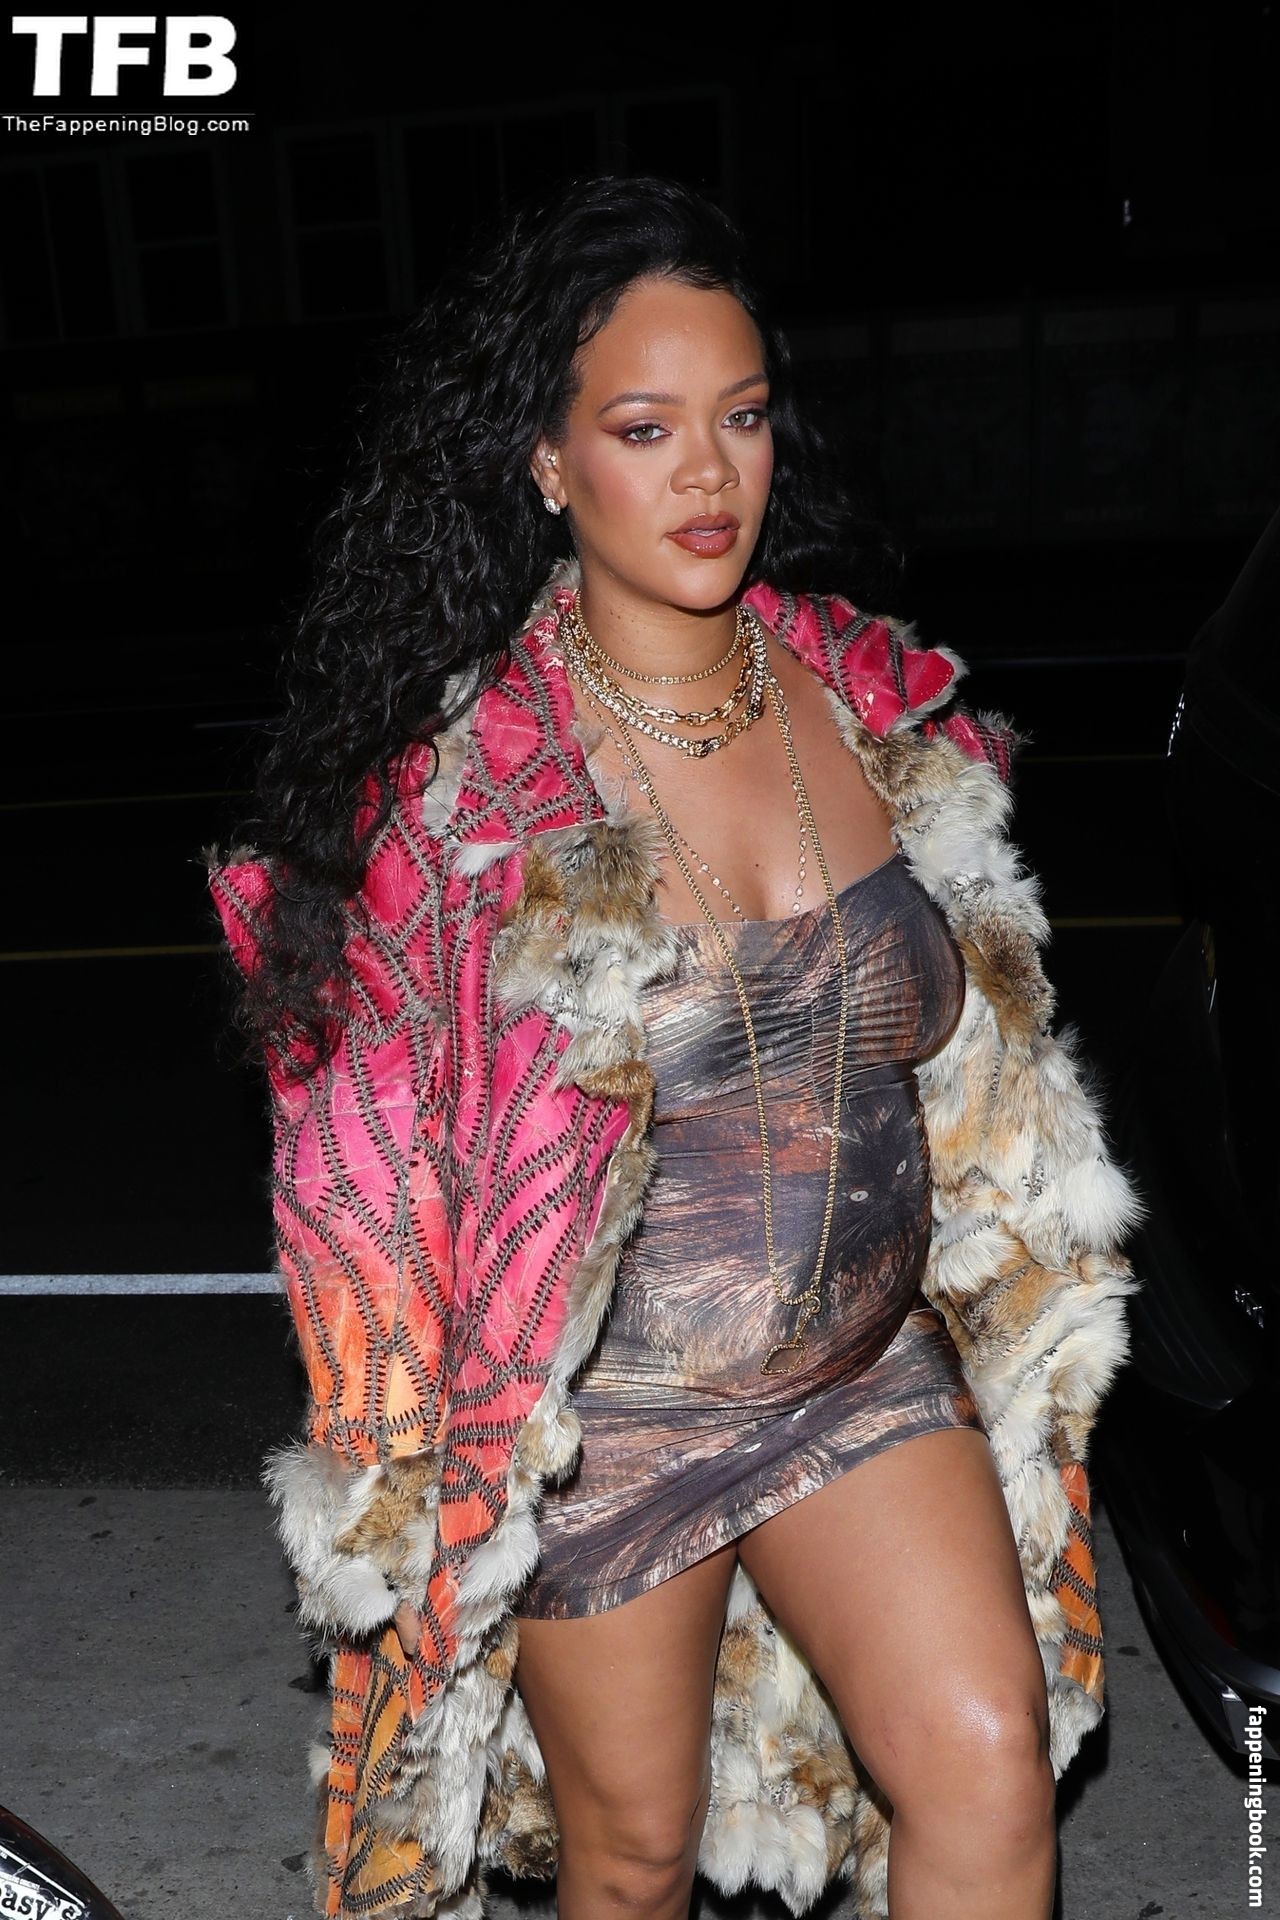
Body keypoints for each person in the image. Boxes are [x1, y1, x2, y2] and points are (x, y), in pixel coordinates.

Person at [209, 173, 1141, 1920]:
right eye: (645, 430)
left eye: (742, 417)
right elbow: (360, 1185)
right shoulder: (469, 799)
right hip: (607, 1428)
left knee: (990, 1764)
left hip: (861, 1368)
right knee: (630, 1862)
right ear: (549, 465)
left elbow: (983, 1054)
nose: (709, 474)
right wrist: (410, 1484)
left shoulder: (863, 697)